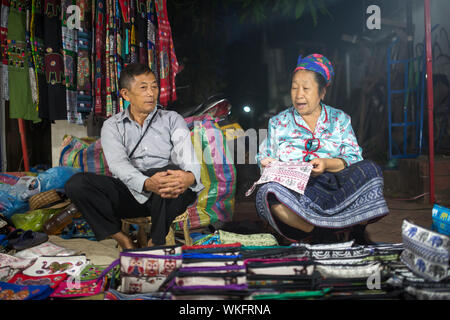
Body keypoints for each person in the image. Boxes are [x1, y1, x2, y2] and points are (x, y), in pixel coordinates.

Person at [64, 63, 203, 249]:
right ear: (126, 94)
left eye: (154, 86)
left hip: (170, 193)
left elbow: (188, 157)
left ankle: (156, 242)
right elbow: (118, 165)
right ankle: (124, 239)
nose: (151, 93)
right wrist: (146, 183)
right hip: (132, 193)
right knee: (77, 184)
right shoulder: (113, 126)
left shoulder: (172, 119)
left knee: (166, 174)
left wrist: (189, 177)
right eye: (143, 88)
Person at [255, 53, 389, 244]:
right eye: (294, 88)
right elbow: (264, 156)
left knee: (370, 170)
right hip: (299, 192)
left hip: (336, 188)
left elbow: (354, 156)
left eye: (306, 88)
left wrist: (327, 164)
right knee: (267, 192)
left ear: (322, 92)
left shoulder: (340, 119)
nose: (298, 94)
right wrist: (268, 164)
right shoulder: (278, 122)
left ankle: (355, 226)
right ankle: (316, 231)